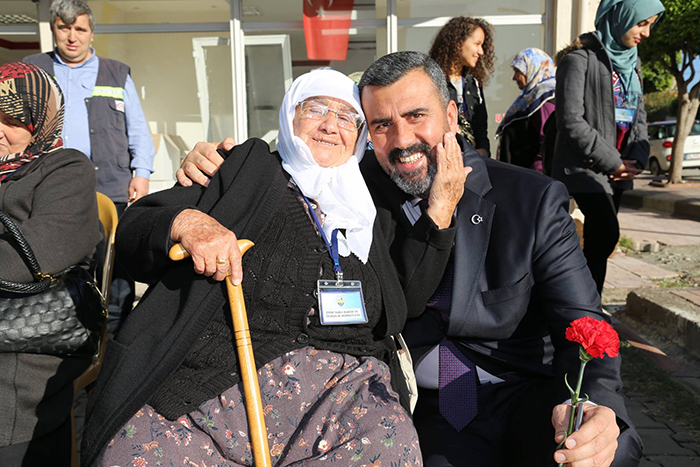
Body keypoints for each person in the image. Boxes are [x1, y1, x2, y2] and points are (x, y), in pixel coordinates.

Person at [178, 52, 641, 467]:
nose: (402, 140)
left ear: (452, 115)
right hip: (425, 405)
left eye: (417, 116)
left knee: (604, 454)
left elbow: (583, 320)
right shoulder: (350, 192)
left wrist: (598, 404)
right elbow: (295, 162)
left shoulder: (531, 199)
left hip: (524, 392)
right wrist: (214, 170)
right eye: (381, 125)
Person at [79, 68, 467, 466]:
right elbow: (135, 230)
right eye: (315, 109)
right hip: (212, 385)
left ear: (360, 135)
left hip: (343, 399)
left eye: (346, 117)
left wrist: (441, 209)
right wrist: (187, 223)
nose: (330, 125)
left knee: (389, 445)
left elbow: (404, 301)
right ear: (289, 115)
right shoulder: (246, 167)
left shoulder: (369, 202)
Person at [24, 0, 156, 332]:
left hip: (109, 187)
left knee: (115, 270)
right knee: (59, 265)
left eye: (80, 29)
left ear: (91, 33)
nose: (72, 37)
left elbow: (138, 129)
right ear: (53, 30)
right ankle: (66, 334)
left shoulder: (116, 72)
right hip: (50, 188)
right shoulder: (33, 69)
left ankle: (113, 339)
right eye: (64, 28)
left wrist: (141, 173)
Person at [0, 62, 101, 466]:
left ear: (39, 123)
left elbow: (35, 254)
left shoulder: (66, 169)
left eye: (12, 121)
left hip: (26, 334)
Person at [552, 0, 665, 294]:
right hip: (585, 167)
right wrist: (612, 161)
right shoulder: (578, 61)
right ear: (621, 17)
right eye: (642, 23)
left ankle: (589, 308)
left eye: (651, 25)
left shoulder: (633, 64)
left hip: (619, 169)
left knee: (600, 243)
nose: (647, 33)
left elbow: (639, 116)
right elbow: (571, 121)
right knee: (605, 232)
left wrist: (637, 160)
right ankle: (575, 301)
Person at [429, 16, 495, 157]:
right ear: (458, 42)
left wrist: (483, 150)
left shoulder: (473, 82)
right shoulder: (432, 80)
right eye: (477, 44)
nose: (481, 51)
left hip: (473, 158)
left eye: (482, 45)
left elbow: (481, 125)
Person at [496, 47, 556, 172]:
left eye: (518, 71)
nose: (514, 78)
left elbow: (545, 141)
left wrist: (535, 175)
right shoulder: (530, 98)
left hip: (530, 177)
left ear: (533, 68)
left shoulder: (545, 99)